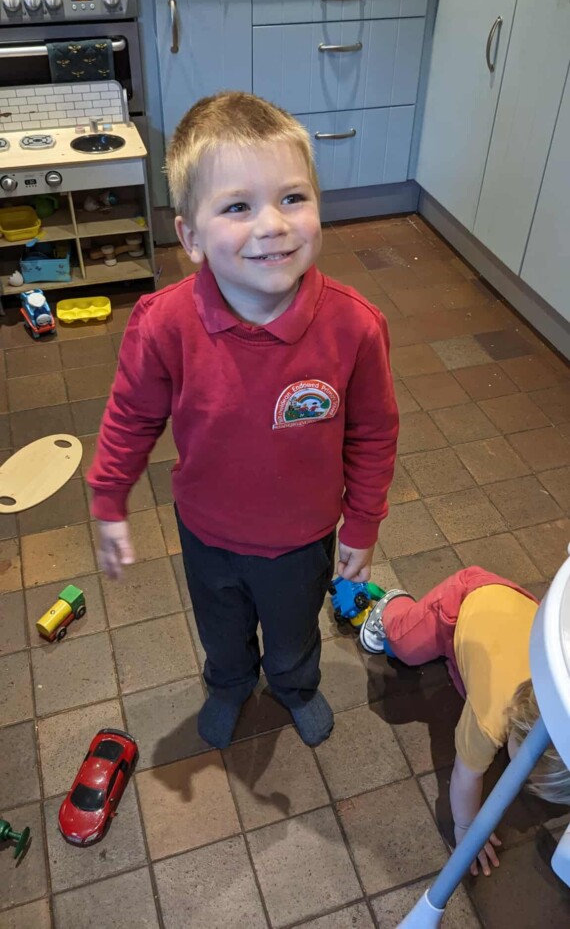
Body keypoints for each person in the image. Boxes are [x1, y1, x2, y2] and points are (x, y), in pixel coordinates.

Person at [87, 91, 399, 751]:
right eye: (238, 206)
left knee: (294, 630)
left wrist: (364, 521)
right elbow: (131, 415)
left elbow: (373, 434)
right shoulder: (163, 325)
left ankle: (295, 685)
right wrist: (108, 495)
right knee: (222, 629)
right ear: (191, 238)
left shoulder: (355, 327)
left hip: (303, 535)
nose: (273, 225)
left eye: (293, 197)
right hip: (207, 529)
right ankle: (229, 684)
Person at [360, 566, 570, 875]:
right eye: (528, 774)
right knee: (405, 645)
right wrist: (466, 827)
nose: (523, 778)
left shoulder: (558, 683)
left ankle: (455, 652)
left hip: (516, 609)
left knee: (467, 679)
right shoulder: (491, 720)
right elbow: (465, 776)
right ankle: (391, 607)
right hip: (460, 601)